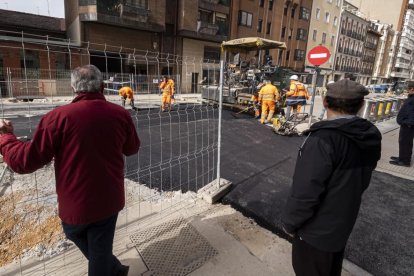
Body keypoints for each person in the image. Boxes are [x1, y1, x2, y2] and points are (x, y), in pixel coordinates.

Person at [0, 65, 140, 276]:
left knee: (80, 238)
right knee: (99, 248)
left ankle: (111, 268)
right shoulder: (120, 114)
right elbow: (132, 148)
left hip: (75, 204)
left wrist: (5, 138)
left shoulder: (56, 118)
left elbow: (24, 162)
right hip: (109, 199)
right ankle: (113, 268)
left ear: (73, 88)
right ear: (102, 87)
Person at [281, 79, 382, 276]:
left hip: (315, 233)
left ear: (325, 102)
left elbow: (305, 192)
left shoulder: (322, 139)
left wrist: (290, 223)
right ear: (362, 105)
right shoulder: (370, 136)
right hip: (342, 225)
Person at [389, 80, 414, 167]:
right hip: (405, 124)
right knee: (403, 142)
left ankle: (405, 161)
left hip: (408, 125)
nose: (408, 90)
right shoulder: (411, 97)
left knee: (406, 143)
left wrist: (407, 122)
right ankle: (401, 157)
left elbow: (411, 113)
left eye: (410, 88)